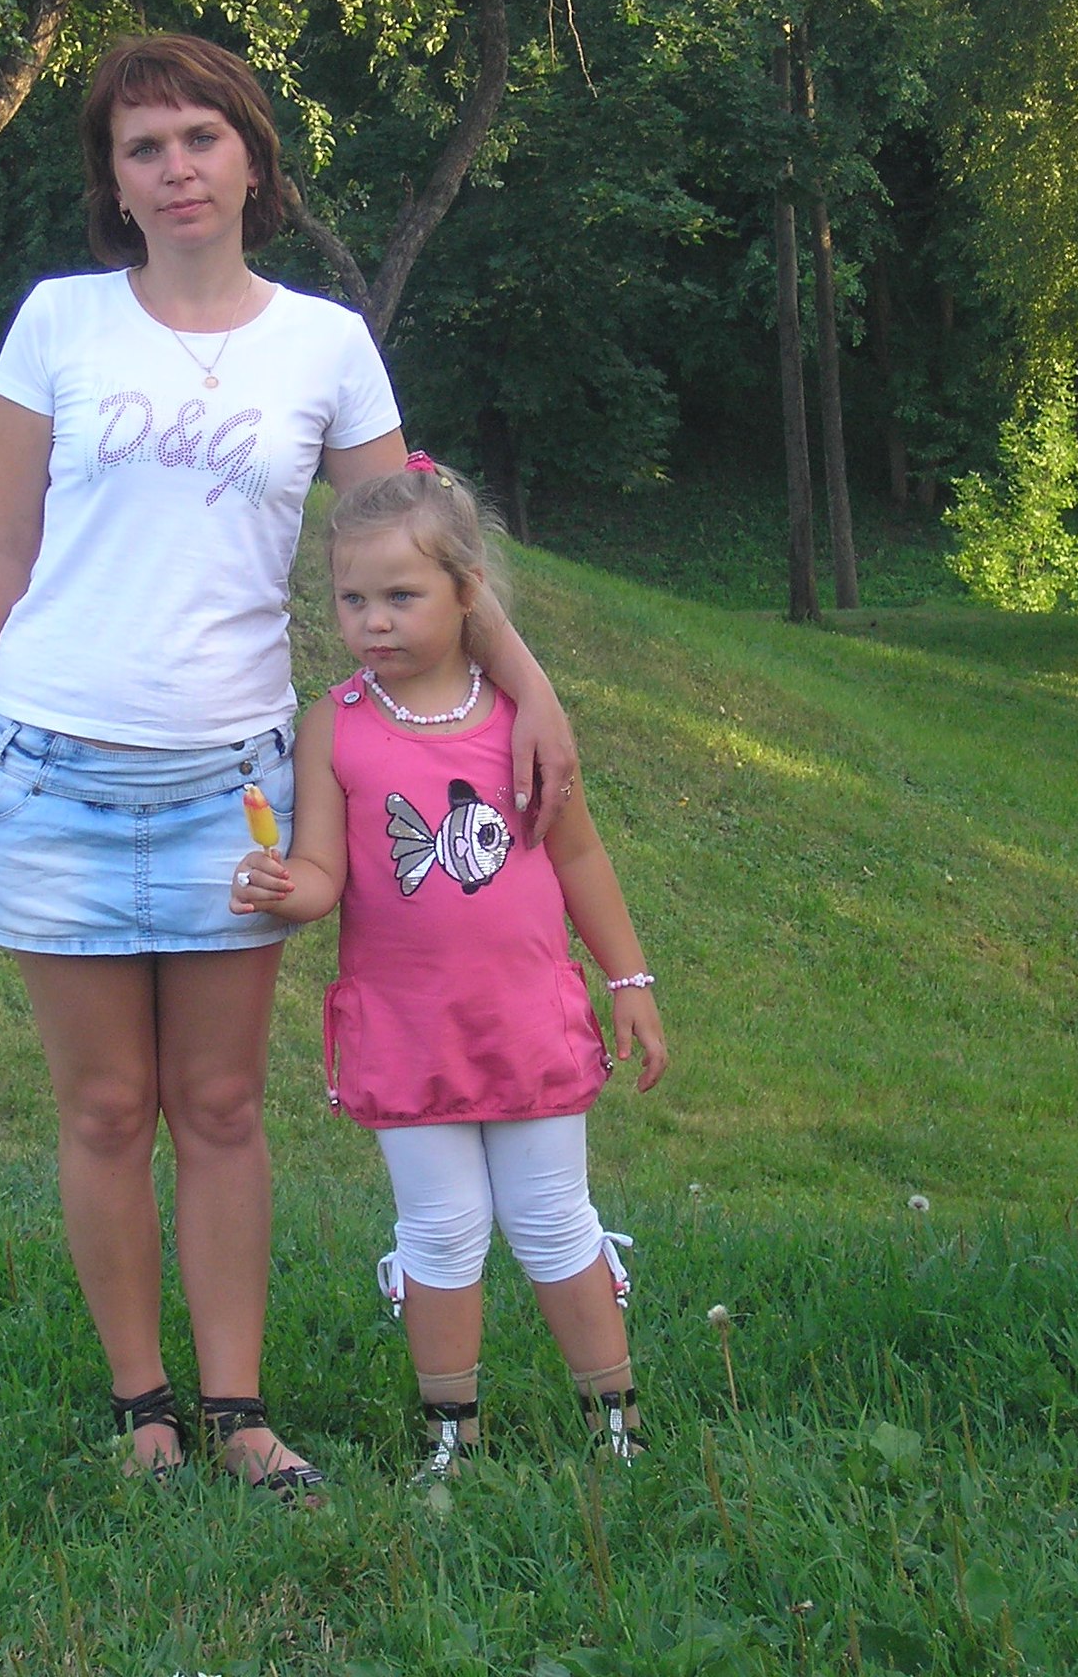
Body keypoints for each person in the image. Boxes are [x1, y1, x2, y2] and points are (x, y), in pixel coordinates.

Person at [0, 34, 580, 1494]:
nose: (176, 168)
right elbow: (0, 547)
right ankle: (142, 1409)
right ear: (114, 182)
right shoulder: (60, 322)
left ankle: (236, 1415)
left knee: (218, 1109)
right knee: (103, 1111)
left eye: (200, 137)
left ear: (253, 158)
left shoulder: (323, 345)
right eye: (142, 147)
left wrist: (530, 692)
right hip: (53, 774)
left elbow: (422, 545)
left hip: (237, 794)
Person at [229, 458, 666, 1484]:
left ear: (467, 592)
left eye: (401, 595)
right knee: (440, 1228)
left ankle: (618, 1429)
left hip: (526, 1020)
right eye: (352, 599)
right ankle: (450, 1441)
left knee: (553, 1220)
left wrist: (630, 982)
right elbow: (325, 874)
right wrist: (283, 887)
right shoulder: (335, 724)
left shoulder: (522, 720)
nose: (373, 621)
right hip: (407, 1029)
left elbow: (578, 858)